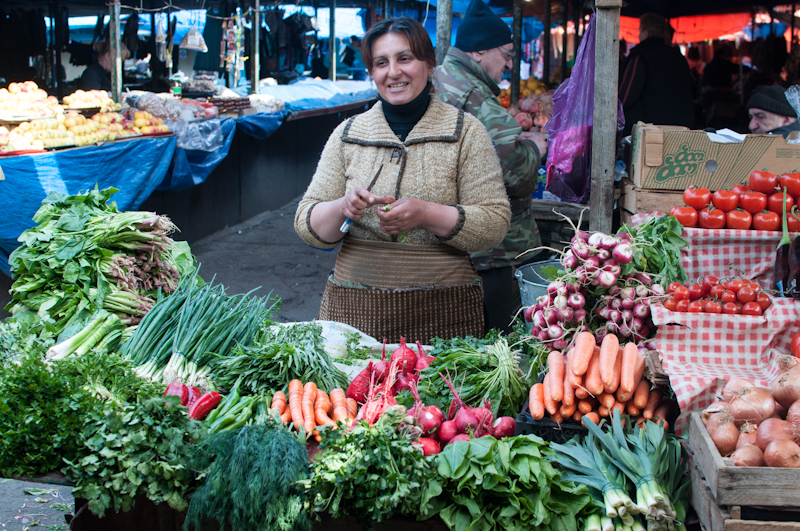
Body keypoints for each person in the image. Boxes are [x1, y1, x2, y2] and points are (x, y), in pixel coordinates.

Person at [294, 17, 511, 343]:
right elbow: (307, 223)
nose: (393, 72)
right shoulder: (348, 134)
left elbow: (494, 222)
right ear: (372, 72)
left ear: (429, 64)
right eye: (381, 63)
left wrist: (426, 214)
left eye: (405, 58)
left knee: (437, 378)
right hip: (354, 312)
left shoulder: (465, 132)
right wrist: (343, 207)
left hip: (443, 316)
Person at [432, 0, 545, 335]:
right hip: (490, 251)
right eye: (506, 54)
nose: (509, 64)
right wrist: (534, 149)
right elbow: (517, 175)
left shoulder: (440, 78)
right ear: (479, 51)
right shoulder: (474, 95)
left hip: (447, 242)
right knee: (497, 338)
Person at [618, 12, 694, 136]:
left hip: (650, 131)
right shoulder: (678, 56)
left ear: (645, 33)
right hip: (681, 127)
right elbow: (691, 88)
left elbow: (625, 98)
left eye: (639, 31)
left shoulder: (639, 57)